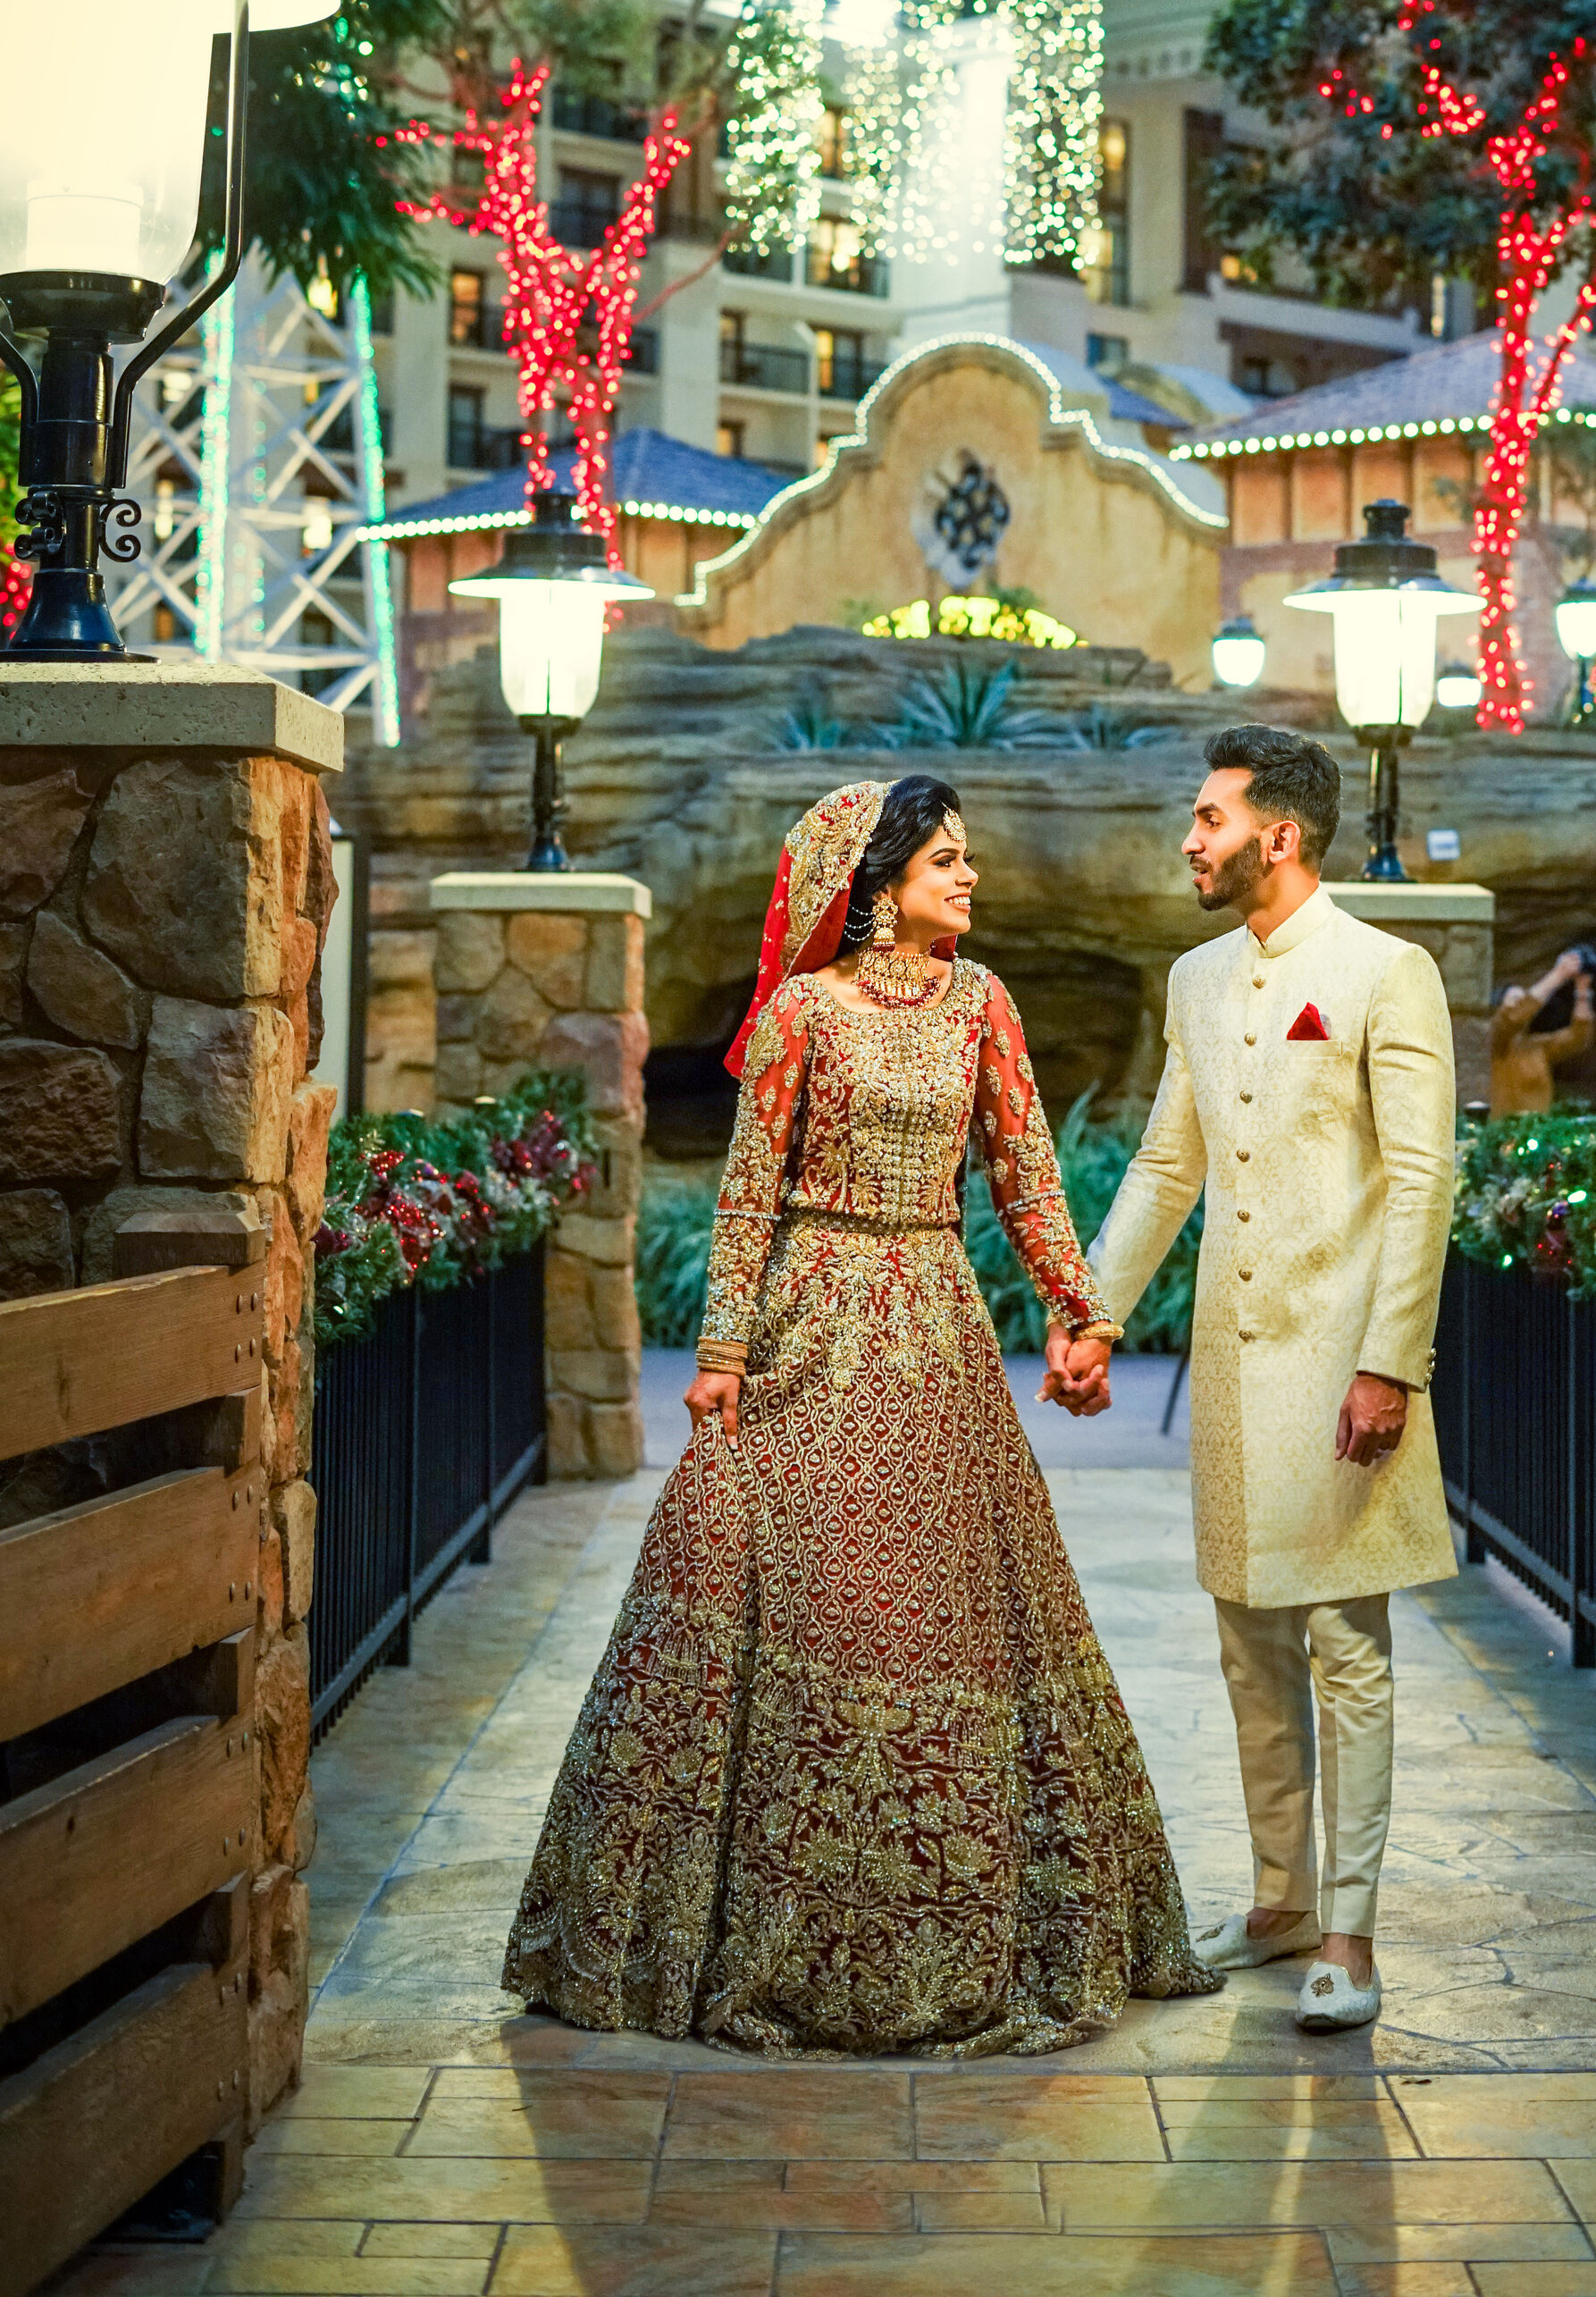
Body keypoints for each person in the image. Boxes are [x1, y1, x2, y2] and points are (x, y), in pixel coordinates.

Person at [505, 775, 1217, 2057]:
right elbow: (743, 1192)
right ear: (879, 886)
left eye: (969, 860)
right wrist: (720, 1351)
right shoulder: (800, 1014)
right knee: (812, 1600)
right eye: (947, 860)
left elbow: (1028, 1170)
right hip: (810, 1324)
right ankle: (766, 1932)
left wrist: (1082, 1309)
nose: (970, 878)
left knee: (946, 1613)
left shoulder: (984, 1005)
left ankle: (954, 1922)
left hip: (936, 1321)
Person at [1046, 722, 1457, 2035]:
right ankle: (1280, 1903)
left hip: (1345, 1367)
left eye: (1209, 818)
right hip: (1233, 1370)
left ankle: (1350, 1930)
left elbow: (1424, 1179)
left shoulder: (1390, 974)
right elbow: (1170, 1168)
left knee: (1348, 1644)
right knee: (1246, 1640)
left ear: (1278, 835)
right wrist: (1095, 1315)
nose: (1190, 838)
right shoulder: (1197, 978)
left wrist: (1390, 1362)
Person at [1488, 945, 1596, 1117]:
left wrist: (1582, 992)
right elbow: (1513, 1018)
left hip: (1538, 1133)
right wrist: (1559, 973)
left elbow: (1579, 1037)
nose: (1523, 1003)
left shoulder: (1536, 1047)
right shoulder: (1495, 1043)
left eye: (1524, 998)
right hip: (1504, 1133)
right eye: (1516, 999)